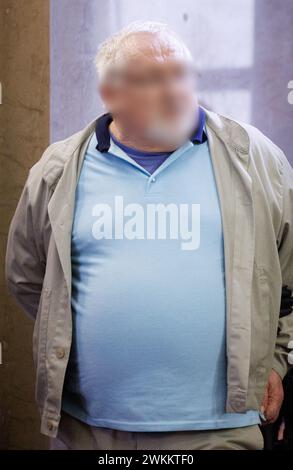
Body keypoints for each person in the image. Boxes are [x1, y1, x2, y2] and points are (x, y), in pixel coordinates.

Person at [5, 20, 293, 450]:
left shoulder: (254, 158)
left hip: (221, 427)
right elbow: (30, 279)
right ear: (111, 94)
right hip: (93, 427)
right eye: (153, 80)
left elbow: (289, 275)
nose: (174, 91)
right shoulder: (59, 169)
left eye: (181, 74)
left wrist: (276, 359)